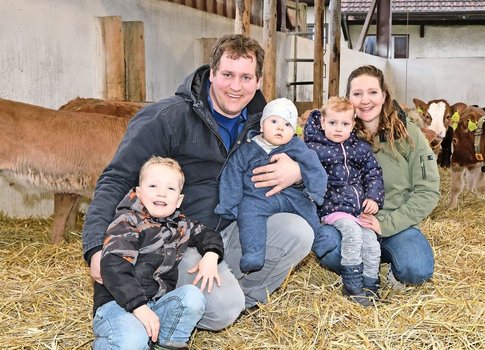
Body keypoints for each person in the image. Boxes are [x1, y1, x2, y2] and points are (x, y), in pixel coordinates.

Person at [82, 34, 313, 331]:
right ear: (212, 73)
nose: (235, 86)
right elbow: (115, 179)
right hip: (179, 237)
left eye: (245, 77)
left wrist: (297, 172)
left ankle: (241, 300)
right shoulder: (167, 119)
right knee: (221, 309)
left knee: (298, 231)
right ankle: (208, 304)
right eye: (227, 74)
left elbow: (310, 167)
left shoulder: (264, 124)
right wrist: (95, 247)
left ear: (258, 81)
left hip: (234, 228)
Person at [312, 65, 440, 288]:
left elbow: (428, 190)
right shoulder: (336, 135)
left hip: (394, 224)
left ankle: (389, 263)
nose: (365, 100)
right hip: (347, 221)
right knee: (327, 248)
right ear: (348, 98)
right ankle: (358, 268)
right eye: (357, 94)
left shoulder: (407, 134)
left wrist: (386, 224)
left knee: (416, 270)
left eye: (372, 92)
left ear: (384, 95)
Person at [93, 156, 224, 349]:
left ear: (178, 199)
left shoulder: (180, 224)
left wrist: (212, 254)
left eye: (170, 188)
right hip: (119, 304)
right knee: (133, 341)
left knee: (192, 297)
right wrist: (138, 307)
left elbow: (207, 234)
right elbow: (114, 268)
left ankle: (165, 344)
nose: (162, 193)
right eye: (153, 186)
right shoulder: (127, 222)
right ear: (138, 192)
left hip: (156, 303)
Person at [215, 98, 327, 274]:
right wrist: (229, 204)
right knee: (249, 215)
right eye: (274, 121)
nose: (280, 128)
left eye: (287, 125)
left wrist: (316, 191)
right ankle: (253, 253)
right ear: (261, 126)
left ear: (294, 131)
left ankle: (320, 240)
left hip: (291, 195)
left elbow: (313, 166)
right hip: (258, 197)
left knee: (307, 207)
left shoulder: (296, 146)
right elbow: (232, 174)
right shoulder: (248, 148)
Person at [304, 96, 384, 306]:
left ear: (353, 124)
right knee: (353, 234)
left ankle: (370, 284)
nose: (338, 129)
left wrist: (373, 198)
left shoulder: (359, 148)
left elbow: (373, 173)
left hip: (357, 210)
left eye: (345, 124)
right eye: (332, 123)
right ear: (322, 122)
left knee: (372, 244)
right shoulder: (314, 149)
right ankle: (352, 284)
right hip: (332, 208)